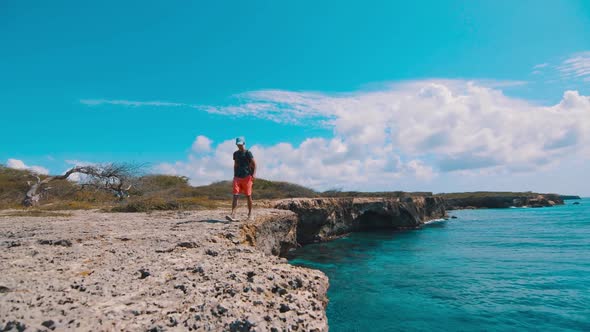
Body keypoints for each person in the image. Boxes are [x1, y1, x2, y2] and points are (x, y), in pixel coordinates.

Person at [226, 137, 256, 221]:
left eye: (240, 144)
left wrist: (253, 175)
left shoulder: (248, 153)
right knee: (235, 195)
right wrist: (234, 175)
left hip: (247, 177)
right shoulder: (235, 154)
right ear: (236, 144)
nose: (239, 145)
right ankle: (233, 214)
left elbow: (254, 164)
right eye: (238, 144)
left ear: (243, 143)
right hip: (237, 177)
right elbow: (235, 164)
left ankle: (250, 214)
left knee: (248, 196)